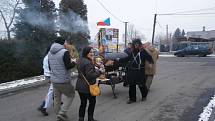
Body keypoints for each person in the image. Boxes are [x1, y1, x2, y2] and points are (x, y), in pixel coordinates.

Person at [48, 37, 76, 121]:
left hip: (54, 80)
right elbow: (68, 66)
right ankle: (62, 113)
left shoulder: (50, 52)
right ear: (63, 43)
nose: (67, 44)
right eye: (66, 42)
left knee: (57, 99)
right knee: (71, 95)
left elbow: (50, 66)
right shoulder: (64, 52)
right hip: (63, 80)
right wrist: (74, 62)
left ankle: (59, 116)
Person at [118, 38, 154, 104]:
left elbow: (149, 57)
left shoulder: (143, 51)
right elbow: (127, 58)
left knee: (141, 85)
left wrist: (151, 63)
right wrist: (118, 60)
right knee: (132, 85)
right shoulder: (132, 52)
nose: (136, 45)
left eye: (137, 44)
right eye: (135, 44)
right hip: (132, 71)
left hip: (140, 71)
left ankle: (144, 96)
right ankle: (132, 99)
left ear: (139, 44)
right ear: (133, 45)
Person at [76, 46, 103, 121]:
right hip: (87, 86)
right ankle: (90, 118)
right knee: (92, 102)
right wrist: (99, 71)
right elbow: (90, 75)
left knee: (83, 103)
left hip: (80, 85)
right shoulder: (88, 62)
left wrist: (94, 68)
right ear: (86, 53)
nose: (92, 53)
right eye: (90, 52)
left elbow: (84, 71)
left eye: (92, 52)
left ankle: (81, 119)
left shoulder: (80, 60)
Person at [38, 45, 52, 116]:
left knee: (54, 90)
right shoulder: (50, 57)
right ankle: (43, 106)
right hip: (50, 76)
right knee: (51, 91)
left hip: (47, 76)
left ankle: (57, 100)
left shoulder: (46, 56)